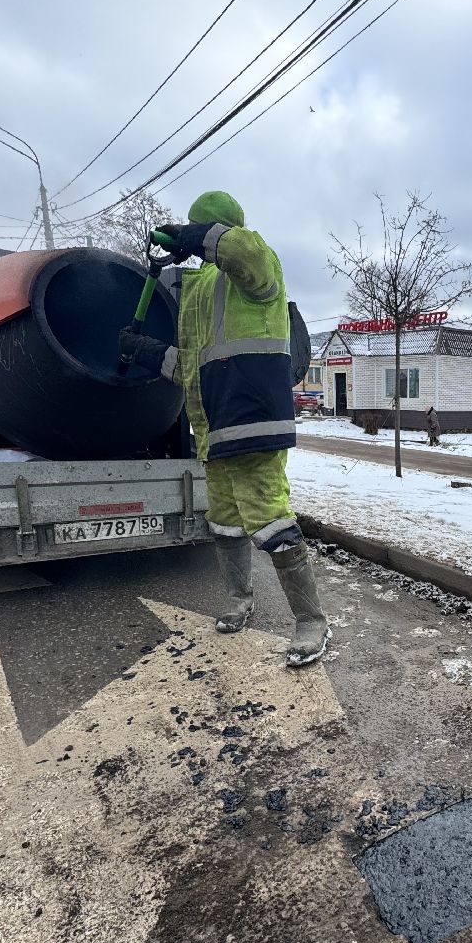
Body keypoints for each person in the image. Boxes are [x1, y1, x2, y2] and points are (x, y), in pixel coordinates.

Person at [117, 191, 330, 667]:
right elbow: (194, 367)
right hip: (214, 432)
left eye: (201, 229)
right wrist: (148, 352)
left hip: (254, 421)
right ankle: (239, 599)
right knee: (225, 524)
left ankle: (311, 621)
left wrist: (195, 236)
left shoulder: (256, 263)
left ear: (212, 229)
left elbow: (242, 252)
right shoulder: (196, 290)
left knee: (272, 522)